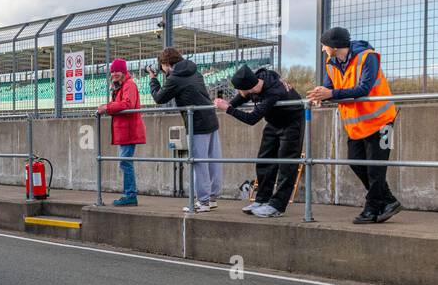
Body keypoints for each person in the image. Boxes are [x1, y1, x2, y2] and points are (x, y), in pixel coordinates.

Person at [306, 27, 401, 224]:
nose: (323, 49)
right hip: (358, 125)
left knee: (376, 169)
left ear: (334, 46)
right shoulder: (331, 64)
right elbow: (330, 87)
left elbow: (364, 88)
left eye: (324, 45)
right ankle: (388, 200)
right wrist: (320, 94)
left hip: (382, 121)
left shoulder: (368, 57)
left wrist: (331, 94)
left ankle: (372, 208)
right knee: (355, 162)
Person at [216, 63, 304, 218]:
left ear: (247, 87)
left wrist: (228, 109)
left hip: (292, 123)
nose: (238, 92)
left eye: (239, 89)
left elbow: (252, 119)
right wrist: (229, 104)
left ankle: (277, 206)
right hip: (274, 122)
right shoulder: (256, 81)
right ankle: (262, 200)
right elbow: (241, 97)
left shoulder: (273, 91)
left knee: (287, 165)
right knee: (264, 161)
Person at [149, 47, 222, 212]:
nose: (162, 69)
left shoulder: (175, 78)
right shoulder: (194, 71)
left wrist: (153, 79)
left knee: (198, 163)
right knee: (213, 161)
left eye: (162, 66)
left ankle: (202, 202)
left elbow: (159, 98)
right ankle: (212, 198)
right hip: (211, 118)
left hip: (196, 123)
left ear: (166, 64)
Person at [97, 58, 145, 206]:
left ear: (124, 72)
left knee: (125, 163)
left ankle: (130, 195)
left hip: (128, 131)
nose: (114, 74)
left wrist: (107, 107)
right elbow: (121, 103)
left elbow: (128, 104)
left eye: (117, 71)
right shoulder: (122, 86)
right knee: (125, 162)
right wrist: (115, 90)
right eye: (112, 71)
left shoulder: (129, 85)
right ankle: (129, 194)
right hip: (125, 131)